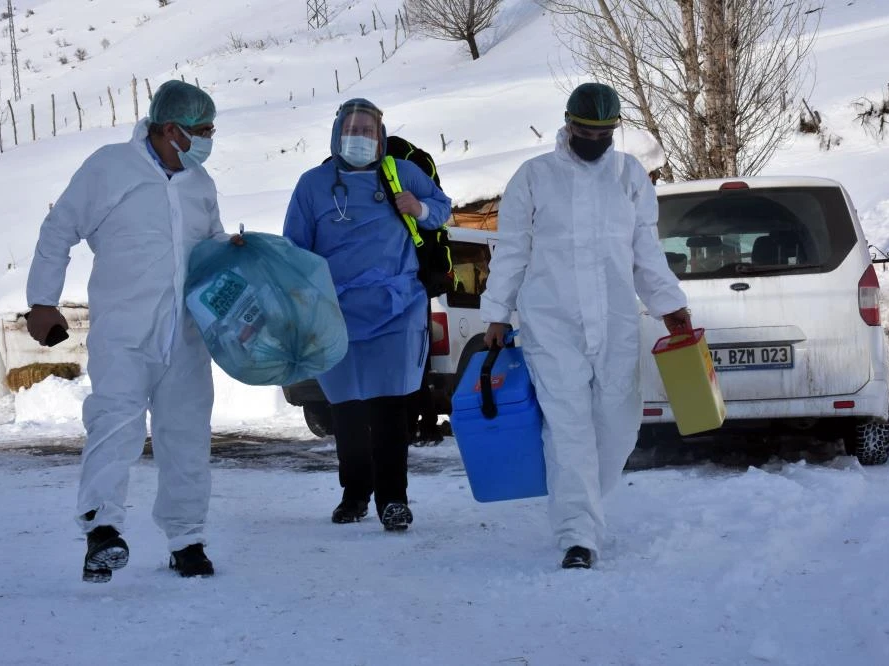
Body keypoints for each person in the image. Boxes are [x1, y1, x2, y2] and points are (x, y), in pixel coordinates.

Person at [25, 80, 233, 582]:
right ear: (170, 130)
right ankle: (102, 532)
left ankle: (187, 540)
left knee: (185, 437)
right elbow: (59, 231)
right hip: (125, 331)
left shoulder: (200, 184)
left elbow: (212, 246)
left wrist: (235, 255)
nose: (209, 139)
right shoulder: (109, 167)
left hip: (185, 336)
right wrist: (42, 301)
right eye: (202, 130)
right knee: (114, 428)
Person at [481, 82, 691, 570]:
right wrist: (496, 312)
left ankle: (583, 506)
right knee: (568, 429)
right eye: (584, 130)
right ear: (567, 123)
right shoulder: (534, 177)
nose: (593, 139)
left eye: (603, 132)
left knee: (619, 426)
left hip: (617, 322)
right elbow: (511, 250)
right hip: (551, 324)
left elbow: (645, 250)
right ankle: (578, 536)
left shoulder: (630, 176)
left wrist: (670, 306)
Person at [283, 98, 452, 531]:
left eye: (368, 131)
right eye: (351, 131)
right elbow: (295, 251)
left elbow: (442, 210)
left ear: (381, 137)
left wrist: (420, 209)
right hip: (336, 315)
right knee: (348, 412)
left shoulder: (402, 173)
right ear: (337, 134)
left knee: (391, 411)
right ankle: (354, 494)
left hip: (396, 311)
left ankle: (394, 500)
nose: (359, 138)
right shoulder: (312, 186)